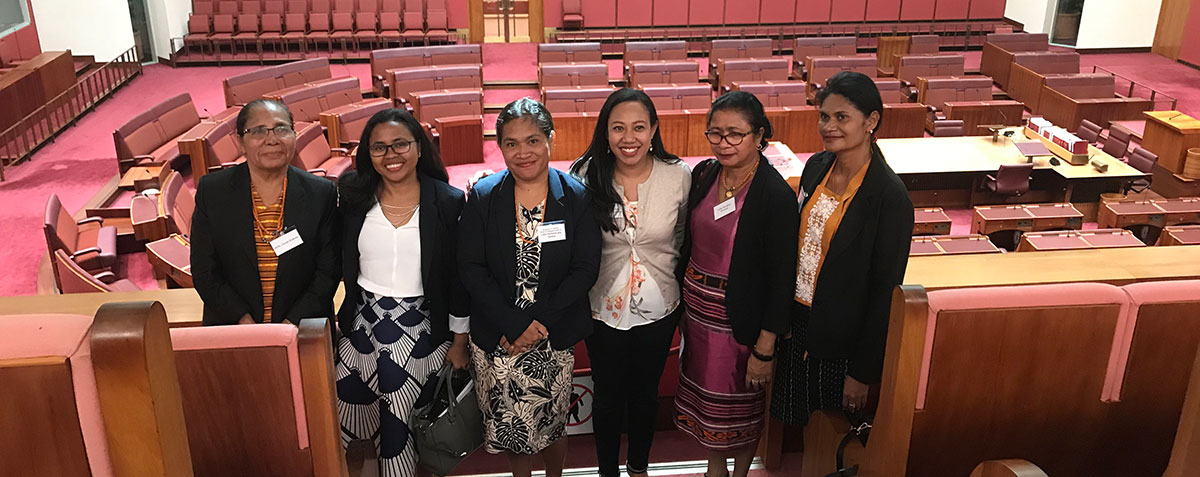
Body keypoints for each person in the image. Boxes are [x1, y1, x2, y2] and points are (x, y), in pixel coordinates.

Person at [458, 98, 602, 477]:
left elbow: (585, 269)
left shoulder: (575, 197)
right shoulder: (485, 197)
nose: (523, 152)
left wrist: (537, 322)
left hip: (551, 335)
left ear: (550, 139)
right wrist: (512, 323)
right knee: (511, 428)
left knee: (552, 426)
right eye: (511, 143)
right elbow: (471, 268)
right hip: (499, 337)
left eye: (533, 140)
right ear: (500, 146)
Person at [770, 71, 913, 428]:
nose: (828, 126)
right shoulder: (816, 166)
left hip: (843, 340)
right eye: (824, 116)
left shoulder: (889, 197)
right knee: (799, 423)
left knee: (830, 432)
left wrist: (862, 372)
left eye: (841, 117)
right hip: (798, 325)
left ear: (872, 121)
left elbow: (884, 293)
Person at [333, 108, 471, 477]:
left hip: (423, 332)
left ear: (419, 149)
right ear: (367, 153)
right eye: (380, 148)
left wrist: (459, 342)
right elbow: (336, 260)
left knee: (404, 426)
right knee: (344, 421)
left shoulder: (448, 201)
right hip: (361, 328)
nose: (391, 156)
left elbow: (458, 280)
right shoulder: (352, 196)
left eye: (400, 145)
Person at [674, 91, 799, 477]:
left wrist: (765, 347)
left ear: (759, 135)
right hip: (698, 315)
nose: (723, 143)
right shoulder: (705, 174)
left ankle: (739, 473)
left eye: (735, 135)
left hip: (740, 324)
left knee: (741, 406)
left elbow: (782, 278)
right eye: (715, 134)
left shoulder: (774, 195)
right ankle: (716, 469)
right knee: (708, 410)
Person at [569, 88, 690, 477]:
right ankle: (607, 471)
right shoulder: (585, 177)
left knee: (644, 395)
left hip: (660, 308)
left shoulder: (679, 176)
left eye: (639, 127)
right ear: (604, 133)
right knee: (606, 397)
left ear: (654, 130)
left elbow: (683, 237)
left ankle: (639, 467)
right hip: (602, 308)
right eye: (618, 128)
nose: (629, 138)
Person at [191, 98, 340, 327]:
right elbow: (205, 271)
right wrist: (244, 322)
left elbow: (327, 272)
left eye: (281, 129)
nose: (272, 140)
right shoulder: (213, 192)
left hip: (303, 328)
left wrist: (291, 325)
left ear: (294, 135)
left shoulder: (320, 193)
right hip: (233, 328)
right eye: (259, 131)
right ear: (241, 141)